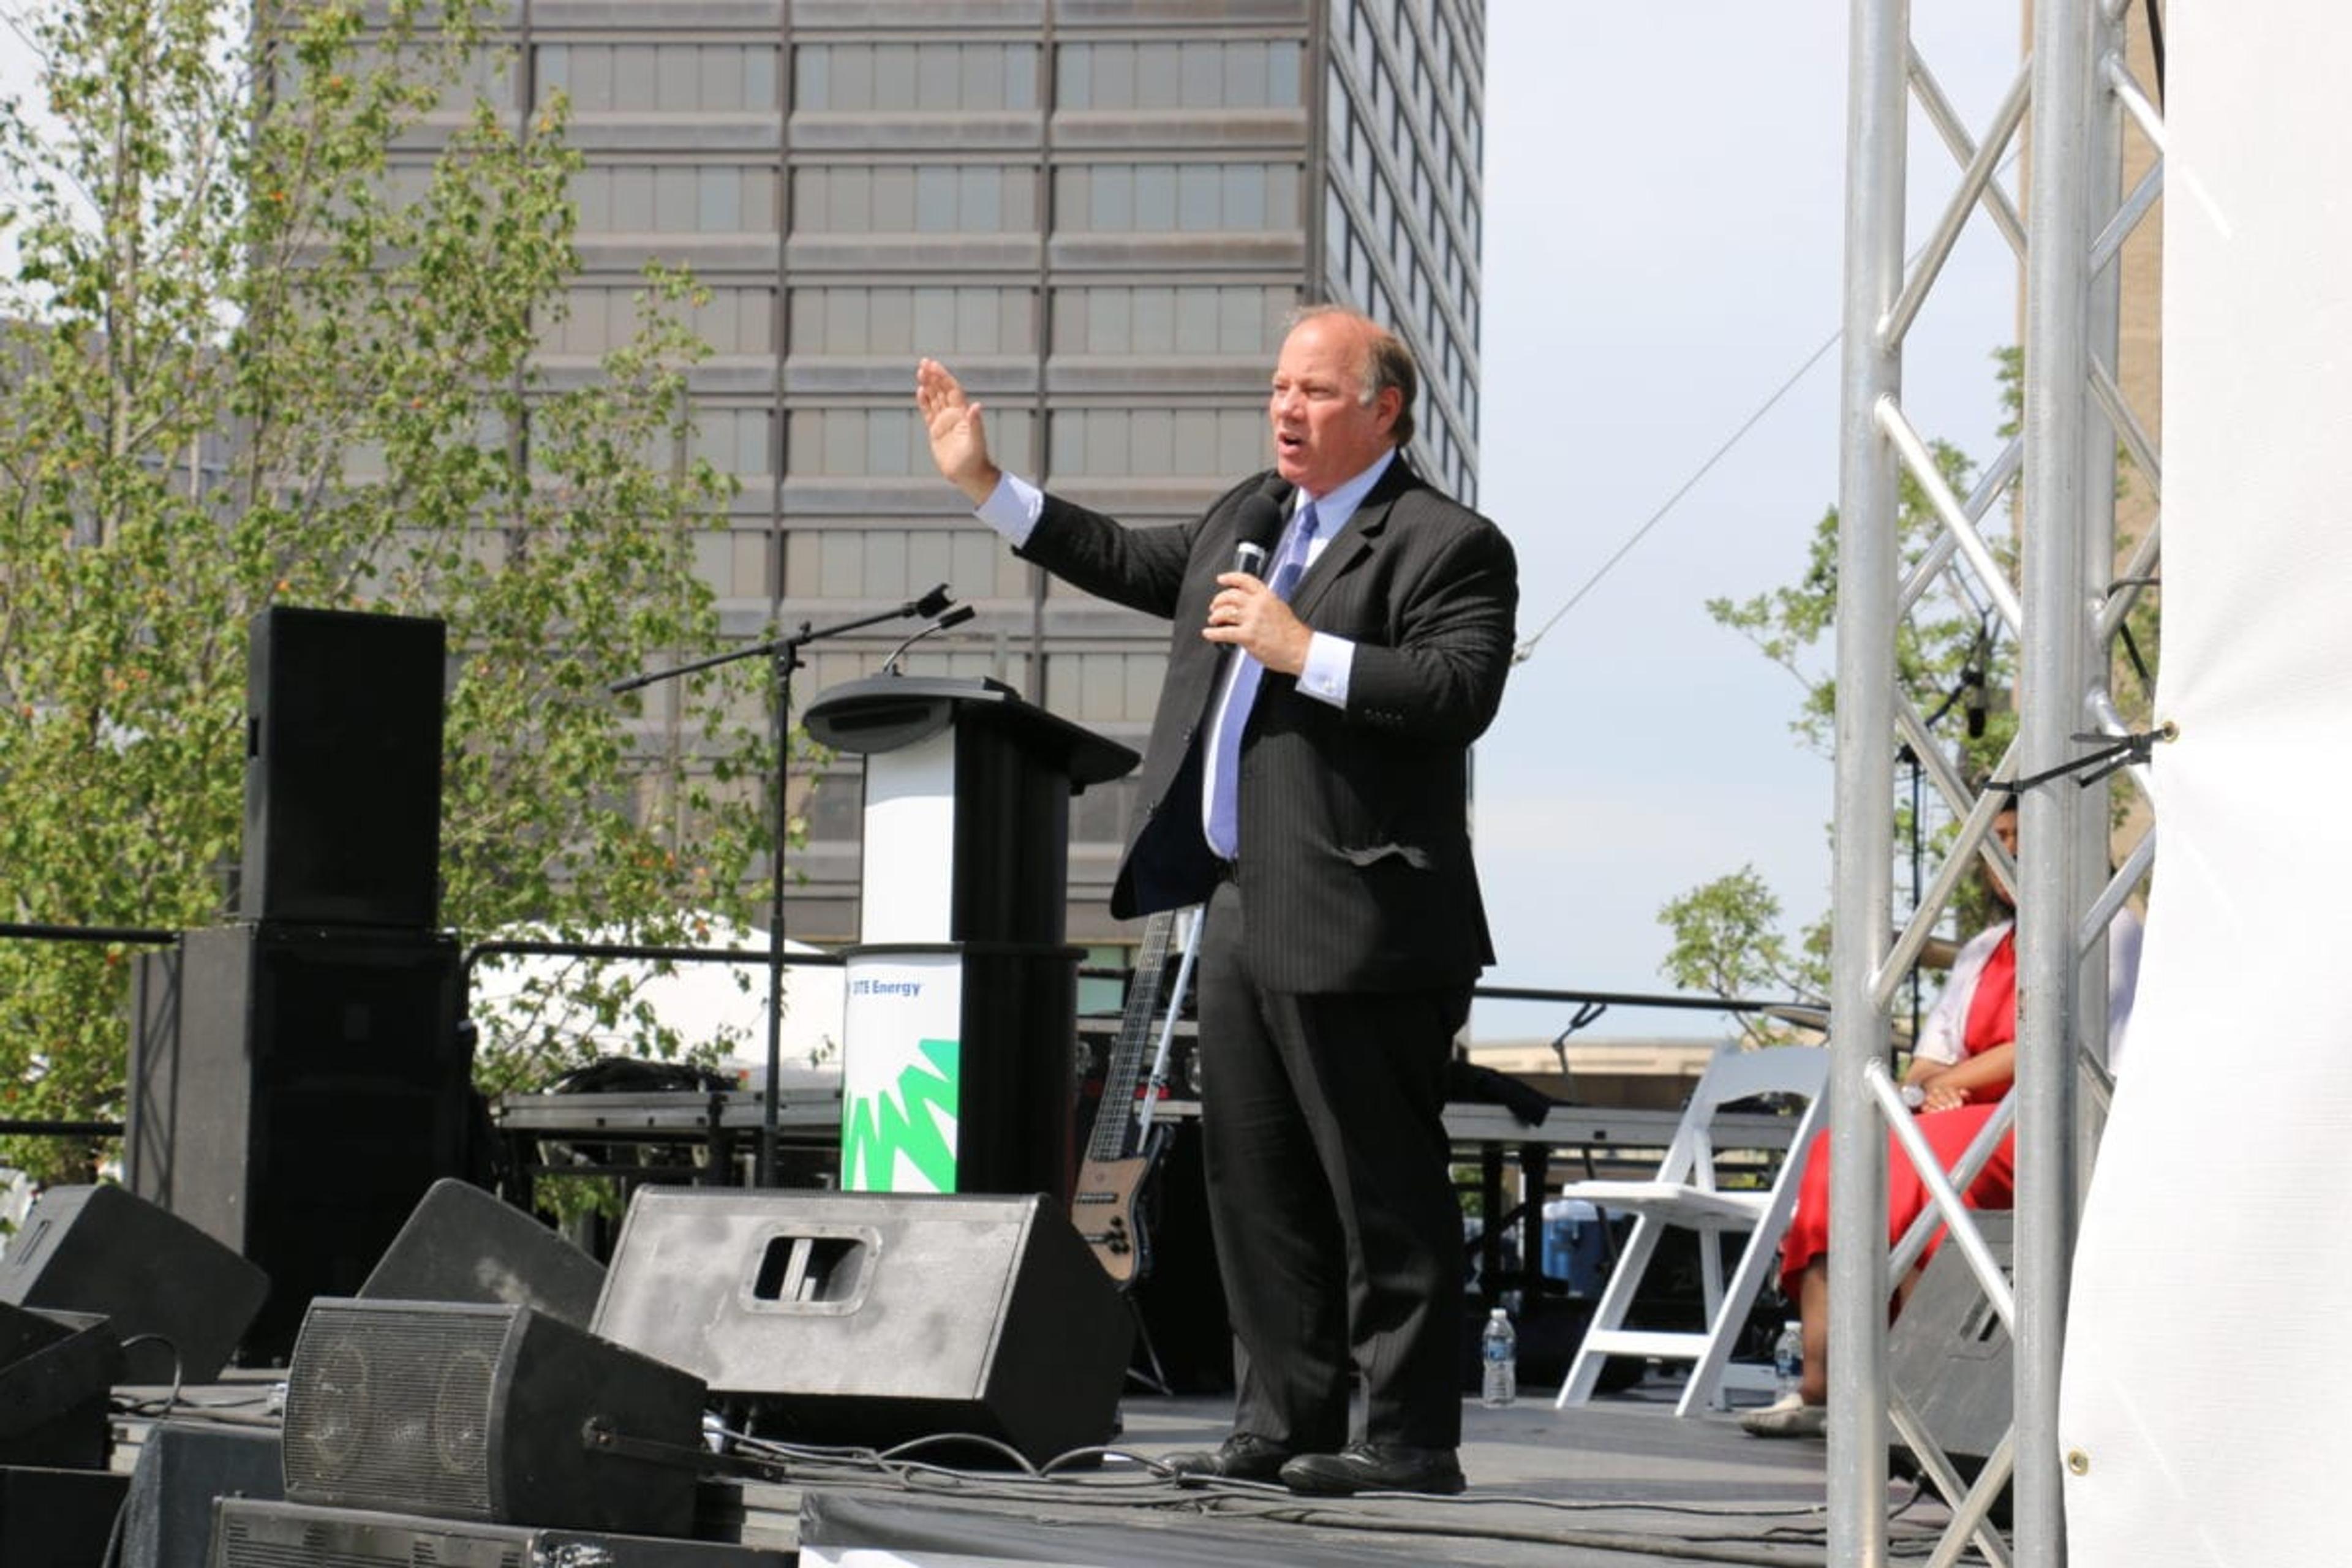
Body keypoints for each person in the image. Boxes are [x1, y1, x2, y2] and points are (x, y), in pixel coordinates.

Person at [914, 307, 1517, 1496]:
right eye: (1278, 387)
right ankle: (1282, 1417)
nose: (1286, 409)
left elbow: (1459, 689)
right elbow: (1141, 564)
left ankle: (1407, 1441)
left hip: (1367, 915)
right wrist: (988, 484)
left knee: (1379, 1183)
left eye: (1314, 390)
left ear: (1382, 408)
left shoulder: (1448, 542)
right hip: (1240, 903)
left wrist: (1304, 648)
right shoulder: (1256, 517)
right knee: (1254, 1177)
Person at [1741, 799, 2142, 1437]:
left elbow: (2055, 1039)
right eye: (1997, 839)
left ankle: (1914, 1384)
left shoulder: (2108, 929)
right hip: (1968, 1115)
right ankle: (1822, 1383)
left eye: (2018, 835)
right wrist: (1941, 1088)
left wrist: (1950, 1084)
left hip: (2049, 1122)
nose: (2004, 852)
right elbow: (1926, 1064)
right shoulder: (1983, 950)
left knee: (1926, 1156)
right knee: (1839, 1149)